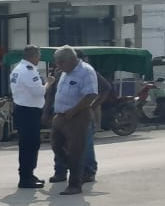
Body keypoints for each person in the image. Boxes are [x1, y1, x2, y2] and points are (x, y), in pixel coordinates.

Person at [47, 47, 99, 196]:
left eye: (60, 63)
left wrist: (73, 111)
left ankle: (75, 184)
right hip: (61, 116)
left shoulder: (86, 71)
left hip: (77, 117)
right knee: (56, 145)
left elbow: (91, 95)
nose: (59, 67)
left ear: (71, 59)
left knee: (76, 151)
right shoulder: (65, 72)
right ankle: (74, 168)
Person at [9, 45, 46, 188]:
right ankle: (25, 178)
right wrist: (49, 83)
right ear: (33, 56)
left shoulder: (17, 68)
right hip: (29, 112)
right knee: (30, 145)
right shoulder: (29, 71)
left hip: (22, 109)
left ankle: (29, 174)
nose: (39, 58)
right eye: (39, 55)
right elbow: (39, 92)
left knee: (27, 145)